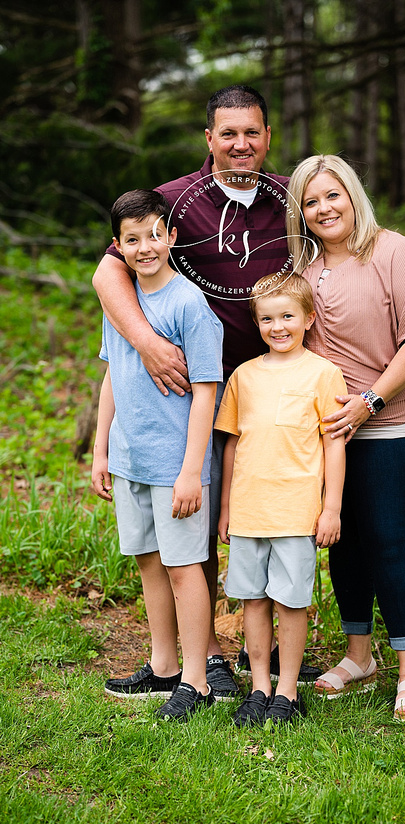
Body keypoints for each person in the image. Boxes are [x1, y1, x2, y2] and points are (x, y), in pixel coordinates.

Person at [91, 84, 321, 697]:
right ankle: (204, 659)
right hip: (196, 388)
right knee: (200, 527)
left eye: (252, 132)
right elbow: (108, 268)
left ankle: (267, 648)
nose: (240, 143)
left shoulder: (292, 201)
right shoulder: (170, 203)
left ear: (268, 137)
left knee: (275, 513)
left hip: (279, 387)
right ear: (209, 138)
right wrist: (144, 342)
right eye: (228, 133)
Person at [285, 154, 405, 719]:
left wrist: (370, 401)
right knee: (343, 539)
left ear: (353, 195)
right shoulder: (302, 271)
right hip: (330, 430)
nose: (324, 208)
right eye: (311, 201)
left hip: (392, 423)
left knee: (385, 538)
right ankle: (359, 657)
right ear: (299, 213)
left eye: (333, 195)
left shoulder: (394, 253)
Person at [93, 189, 222, 720]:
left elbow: (207, 390)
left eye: (153, 235)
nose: (145, 247)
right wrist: (101, 449)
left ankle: (197, 679)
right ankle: (164, 664)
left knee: (183, 567)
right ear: (117, 248)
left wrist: (193, 470)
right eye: (132, 239)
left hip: (175, 464)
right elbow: (111, 375)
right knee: (149, 561)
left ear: (171, 236)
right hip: (130, 456)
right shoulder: (120, 300)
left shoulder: (189, 303)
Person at [215, 273, 347, 726]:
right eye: (268, 318)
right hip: (250, 510)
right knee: (253, 600)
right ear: (256, 323)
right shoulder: (244, 376)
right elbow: (232, 445)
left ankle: (287, 693)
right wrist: (227, 509)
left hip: (297, 511)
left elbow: (333, 445)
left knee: (291, 602)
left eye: (288, 316)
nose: (278, 326)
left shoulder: (324, 374)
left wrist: (331, 508)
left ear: (309, 318)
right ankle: (258, 688)